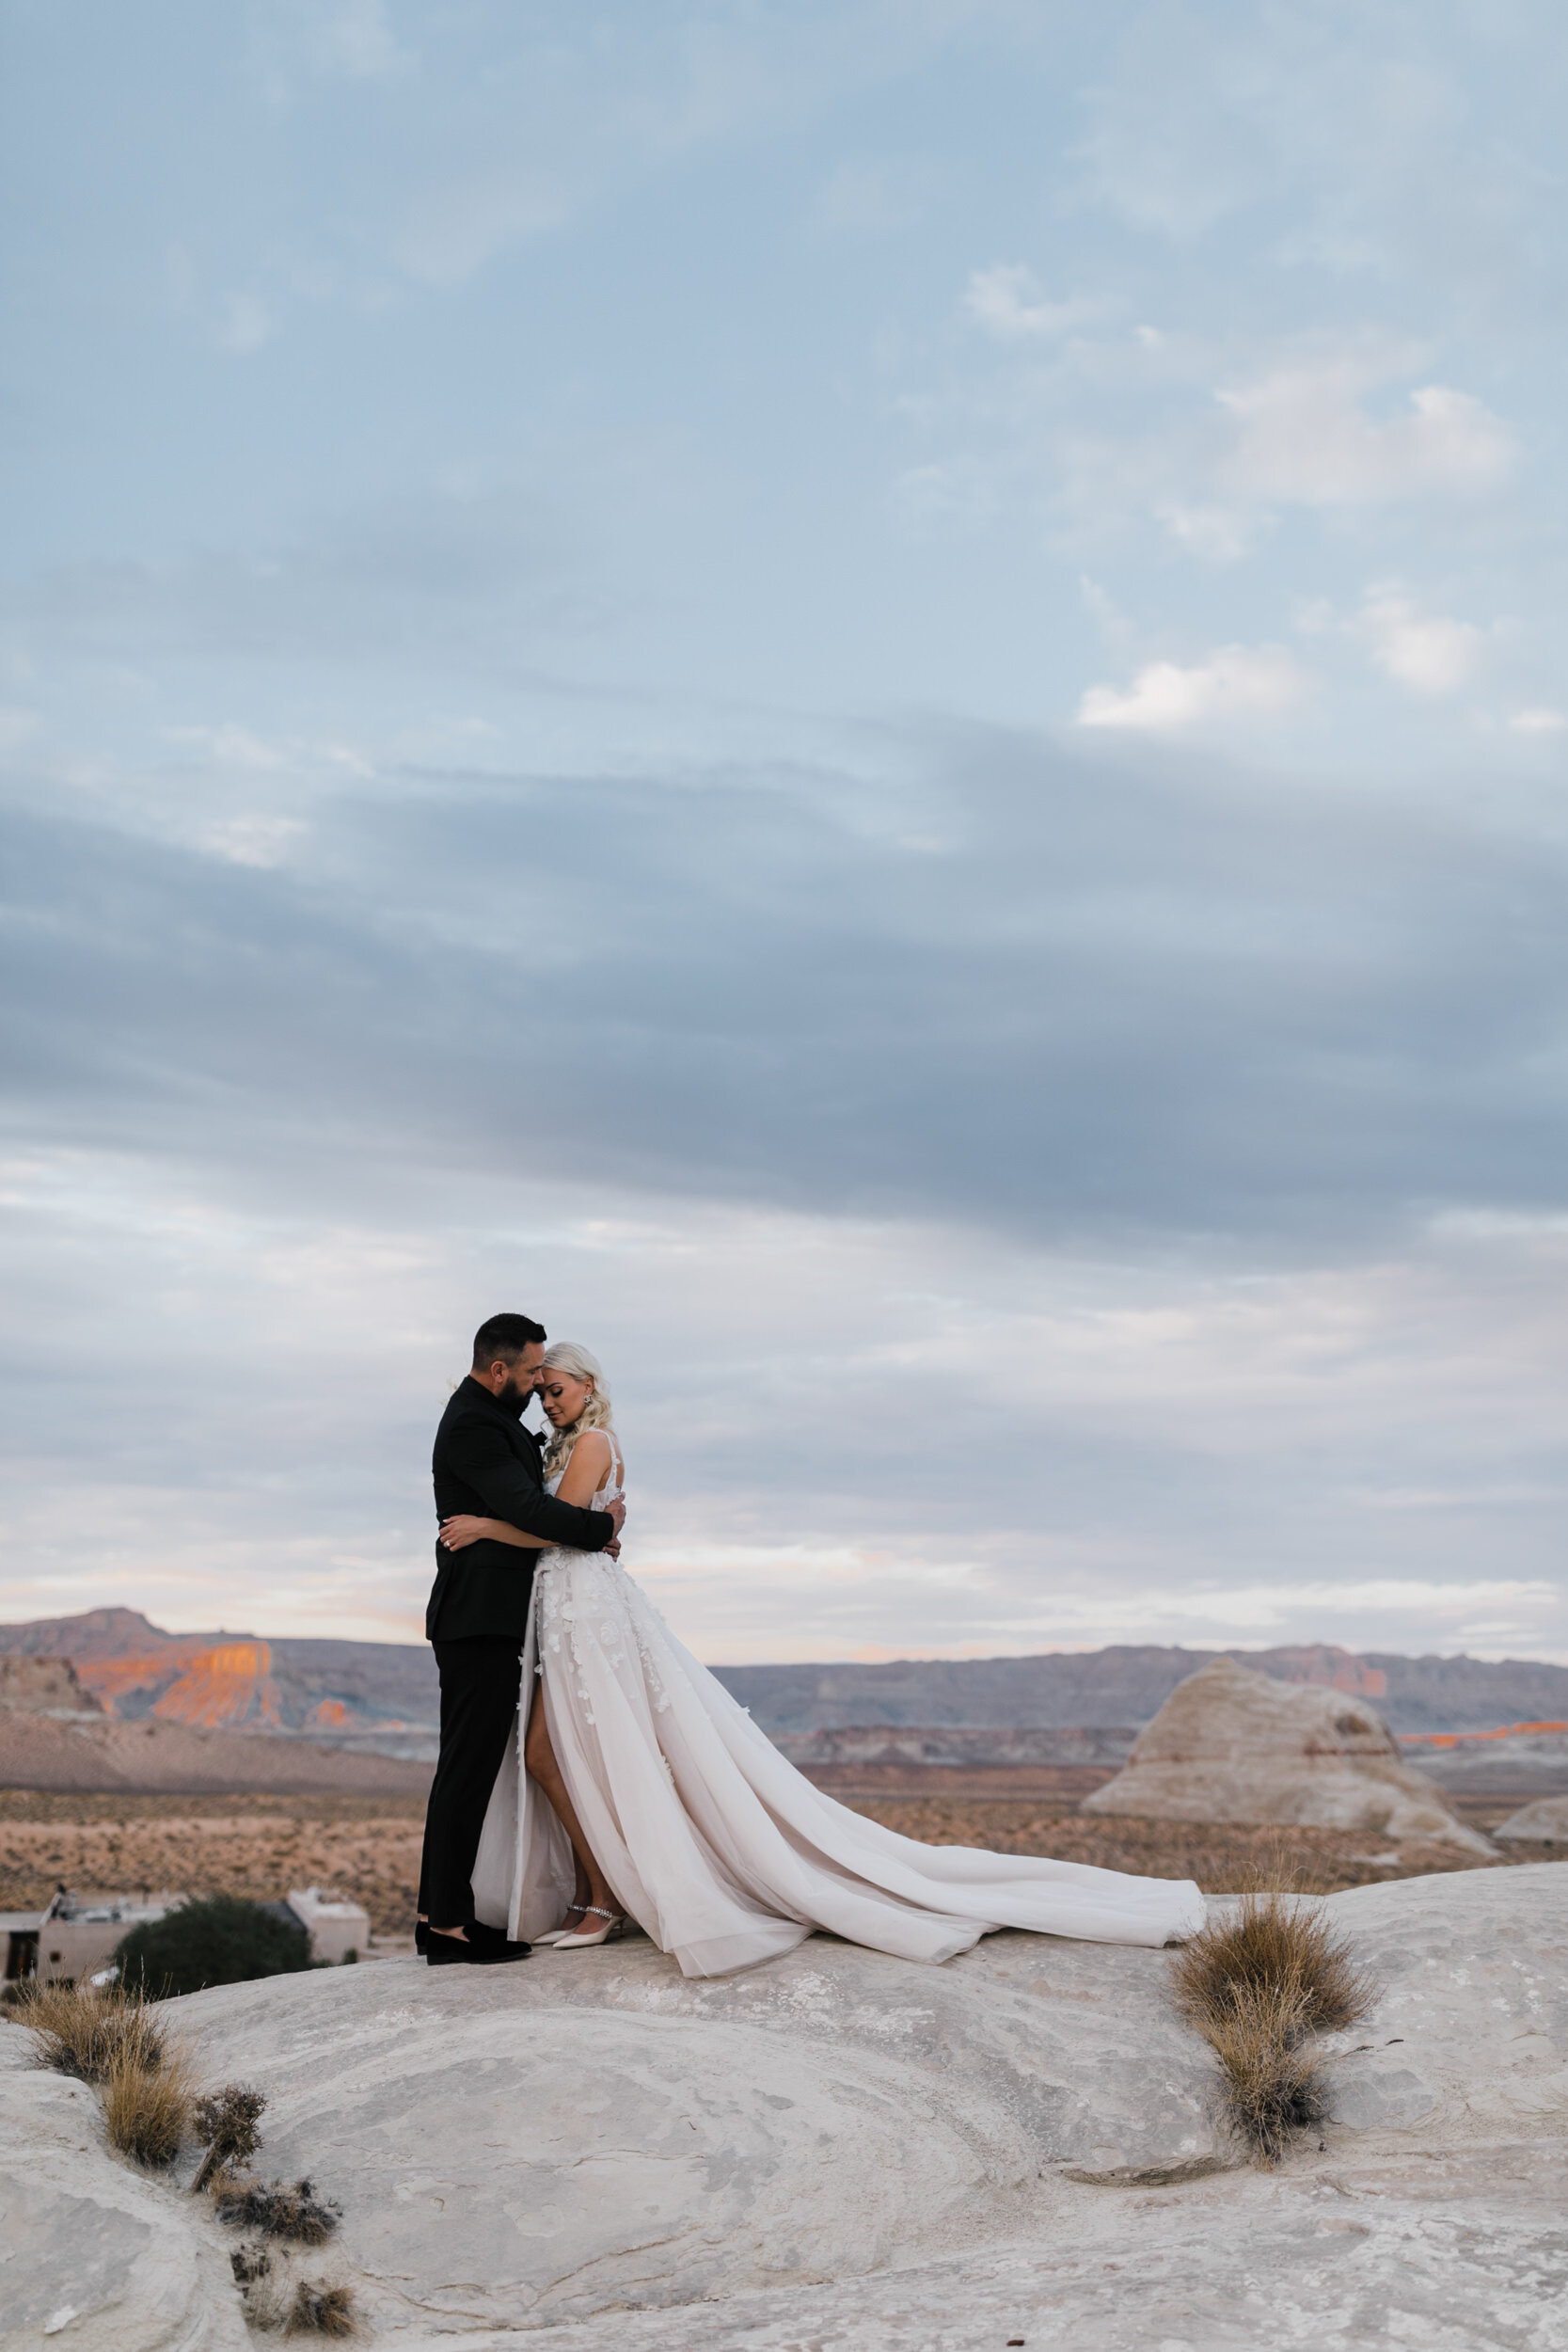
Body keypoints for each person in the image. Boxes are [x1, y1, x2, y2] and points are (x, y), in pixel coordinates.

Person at [444, 1343, 1207, 1979]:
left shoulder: (596, 1443)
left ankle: (602, 1898)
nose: (547, 1402)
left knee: (576, 1755)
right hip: (568, 1611)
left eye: (557, 1389)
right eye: (540, 1392)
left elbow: (561, 1532)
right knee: (562, 1757)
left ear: (589, 1387)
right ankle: (596, 1893)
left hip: (589, 1612)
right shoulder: (565, 1446)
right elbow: (583, 1527)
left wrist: (483, 1528)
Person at [417, 1313, 626, 1967]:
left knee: (474, 1765)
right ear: (499, 1369)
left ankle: (443, 1917)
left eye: (550, 1377)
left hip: (501, 1617)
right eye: (533, 1373)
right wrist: (599, 1530)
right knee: (467, 1767)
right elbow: (530, 1512)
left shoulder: (497, 1419)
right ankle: (445, 1927)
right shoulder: (476, 1423)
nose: (540, 1384)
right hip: (478, 1617)